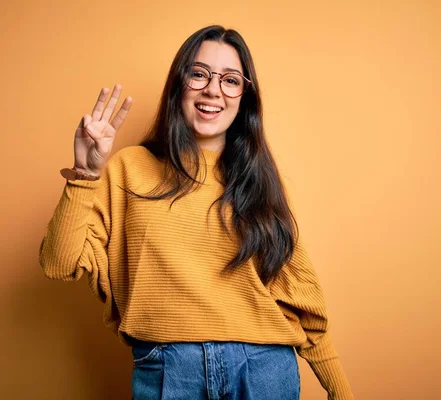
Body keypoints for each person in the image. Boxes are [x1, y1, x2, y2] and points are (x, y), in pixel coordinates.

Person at [39, 25, 354, 400]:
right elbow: (58, 264)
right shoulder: (129, 169)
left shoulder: (261, 181)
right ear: (179, 84)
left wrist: (340, 390)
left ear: (244, 96)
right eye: (199, 73)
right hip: (169, 370)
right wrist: (85, 174)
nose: (213, 89)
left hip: (264, 369)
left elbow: (300, 295)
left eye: (231, 80)